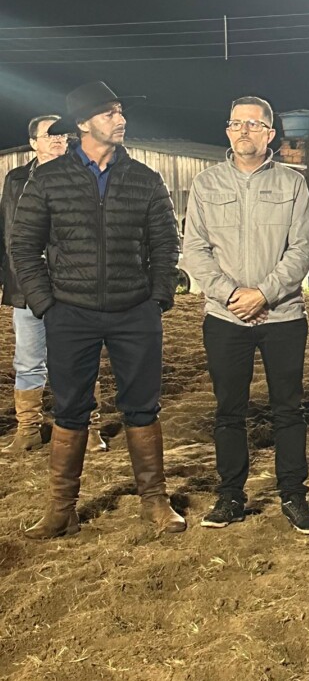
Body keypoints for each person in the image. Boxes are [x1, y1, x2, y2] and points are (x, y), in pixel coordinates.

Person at [8, 81, 184, 539]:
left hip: (135, 312)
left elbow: (167, 243)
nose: (120, 119)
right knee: (70, 409)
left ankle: (155, 500)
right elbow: (22, 247)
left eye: (120, 111)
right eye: (109, 113)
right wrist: (47, 305)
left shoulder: (145, 179)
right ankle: (61, 508)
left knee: (142, 407)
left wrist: (158, 298)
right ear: (84, 123)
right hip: (70, 313)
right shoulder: (48, 179)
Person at [181, 96, 309, 535]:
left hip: (283, 316)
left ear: (270, 134)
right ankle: (231, 496)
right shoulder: (206, 183)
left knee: (288, 409)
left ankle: (293, 494)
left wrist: (263, 294)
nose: (244, 131)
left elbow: (301, 249)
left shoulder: (292, 184)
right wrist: (230, 295)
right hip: (225, 318)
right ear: (227, 130)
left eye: (254, 124)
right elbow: (195, 249)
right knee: (229, 411)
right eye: (236, 123)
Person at [1, 115, 68, 451]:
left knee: (77, 358)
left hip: (71, 286)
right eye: (49, 135)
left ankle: (85, 428)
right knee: (27, 360)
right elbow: (7, 231)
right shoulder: (15, 180)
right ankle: (28, 430)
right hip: (27, 285)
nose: (57, 140)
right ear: (33, 143)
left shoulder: (82, 175)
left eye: (62, 135)